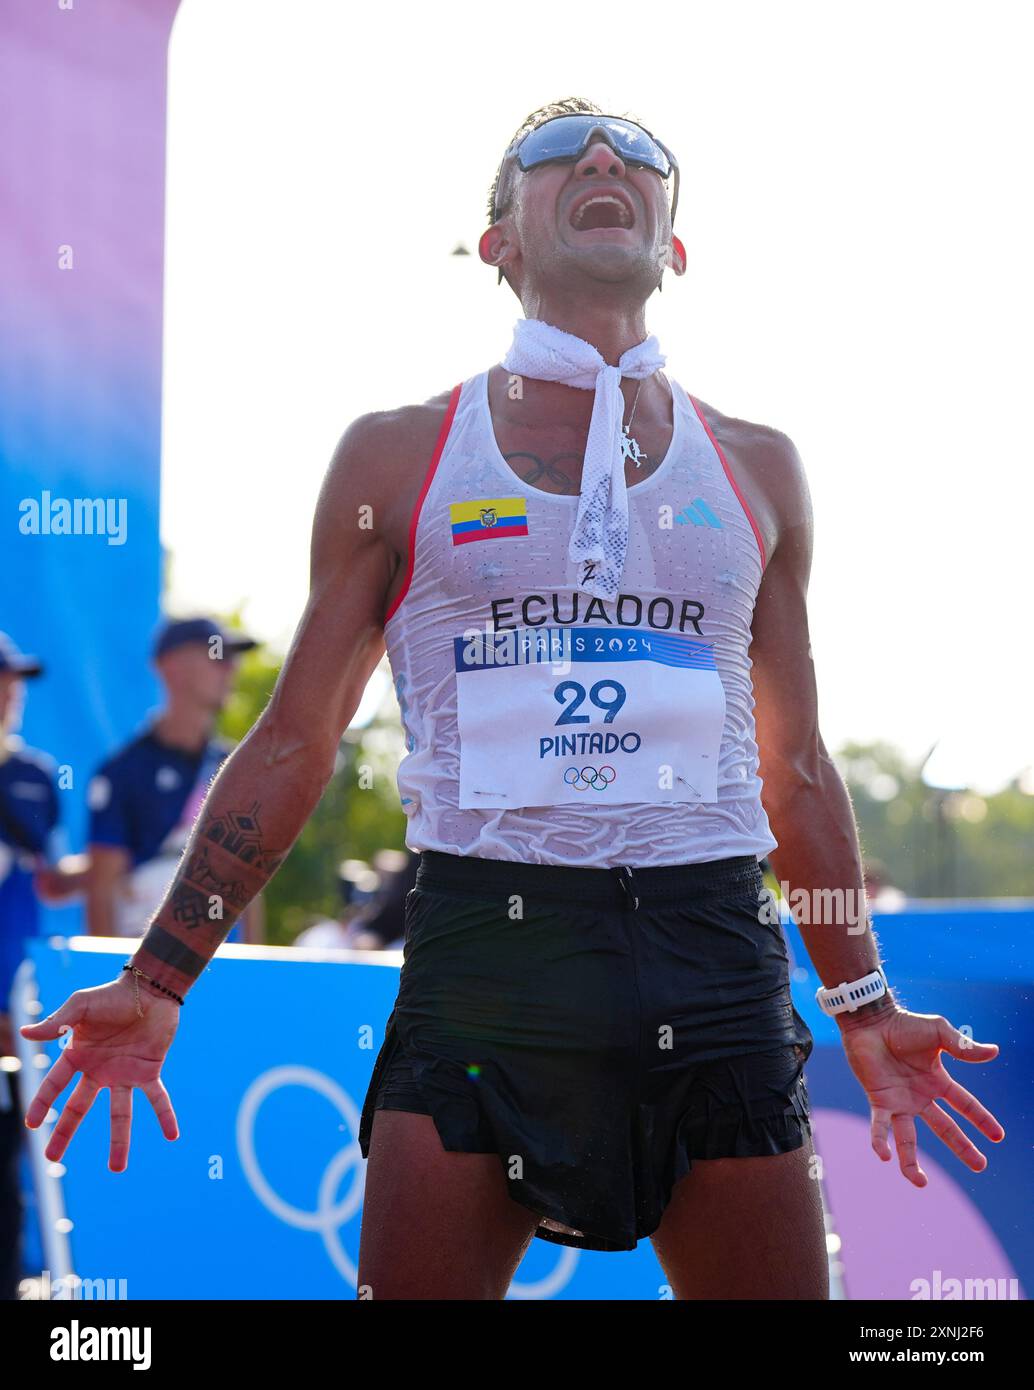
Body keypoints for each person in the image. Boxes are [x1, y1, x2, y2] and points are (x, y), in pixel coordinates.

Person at [20, 97, 1004, 1301]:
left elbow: (792, 767)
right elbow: (298, 737)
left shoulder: (756, 463)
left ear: (673, 248)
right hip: (489, 948)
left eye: (640, 154)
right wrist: (160, 977)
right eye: (557, 151)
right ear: (497, 243)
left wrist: (859, 1003)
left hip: (707, 954)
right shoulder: (398, 454)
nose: (602, 157)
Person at [84, 616, 264, 944]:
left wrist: (254, 971)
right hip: (143, 964)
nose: (231, 669)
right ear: (172, 666)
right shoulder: (122, 773)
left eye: (233, 659)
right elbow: (102, 887)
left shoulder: (237, 766)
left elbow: (251, 880)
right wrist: (110, 979)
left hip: (224, 966)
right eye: (218, 656)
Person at [0, 631, 62, 1300]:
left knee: (8, 1161)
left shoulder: (31, 773)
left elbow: (40, 850)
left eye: (15, 680)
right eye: (3, 679)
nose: (11, 692)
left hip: (9, 999)